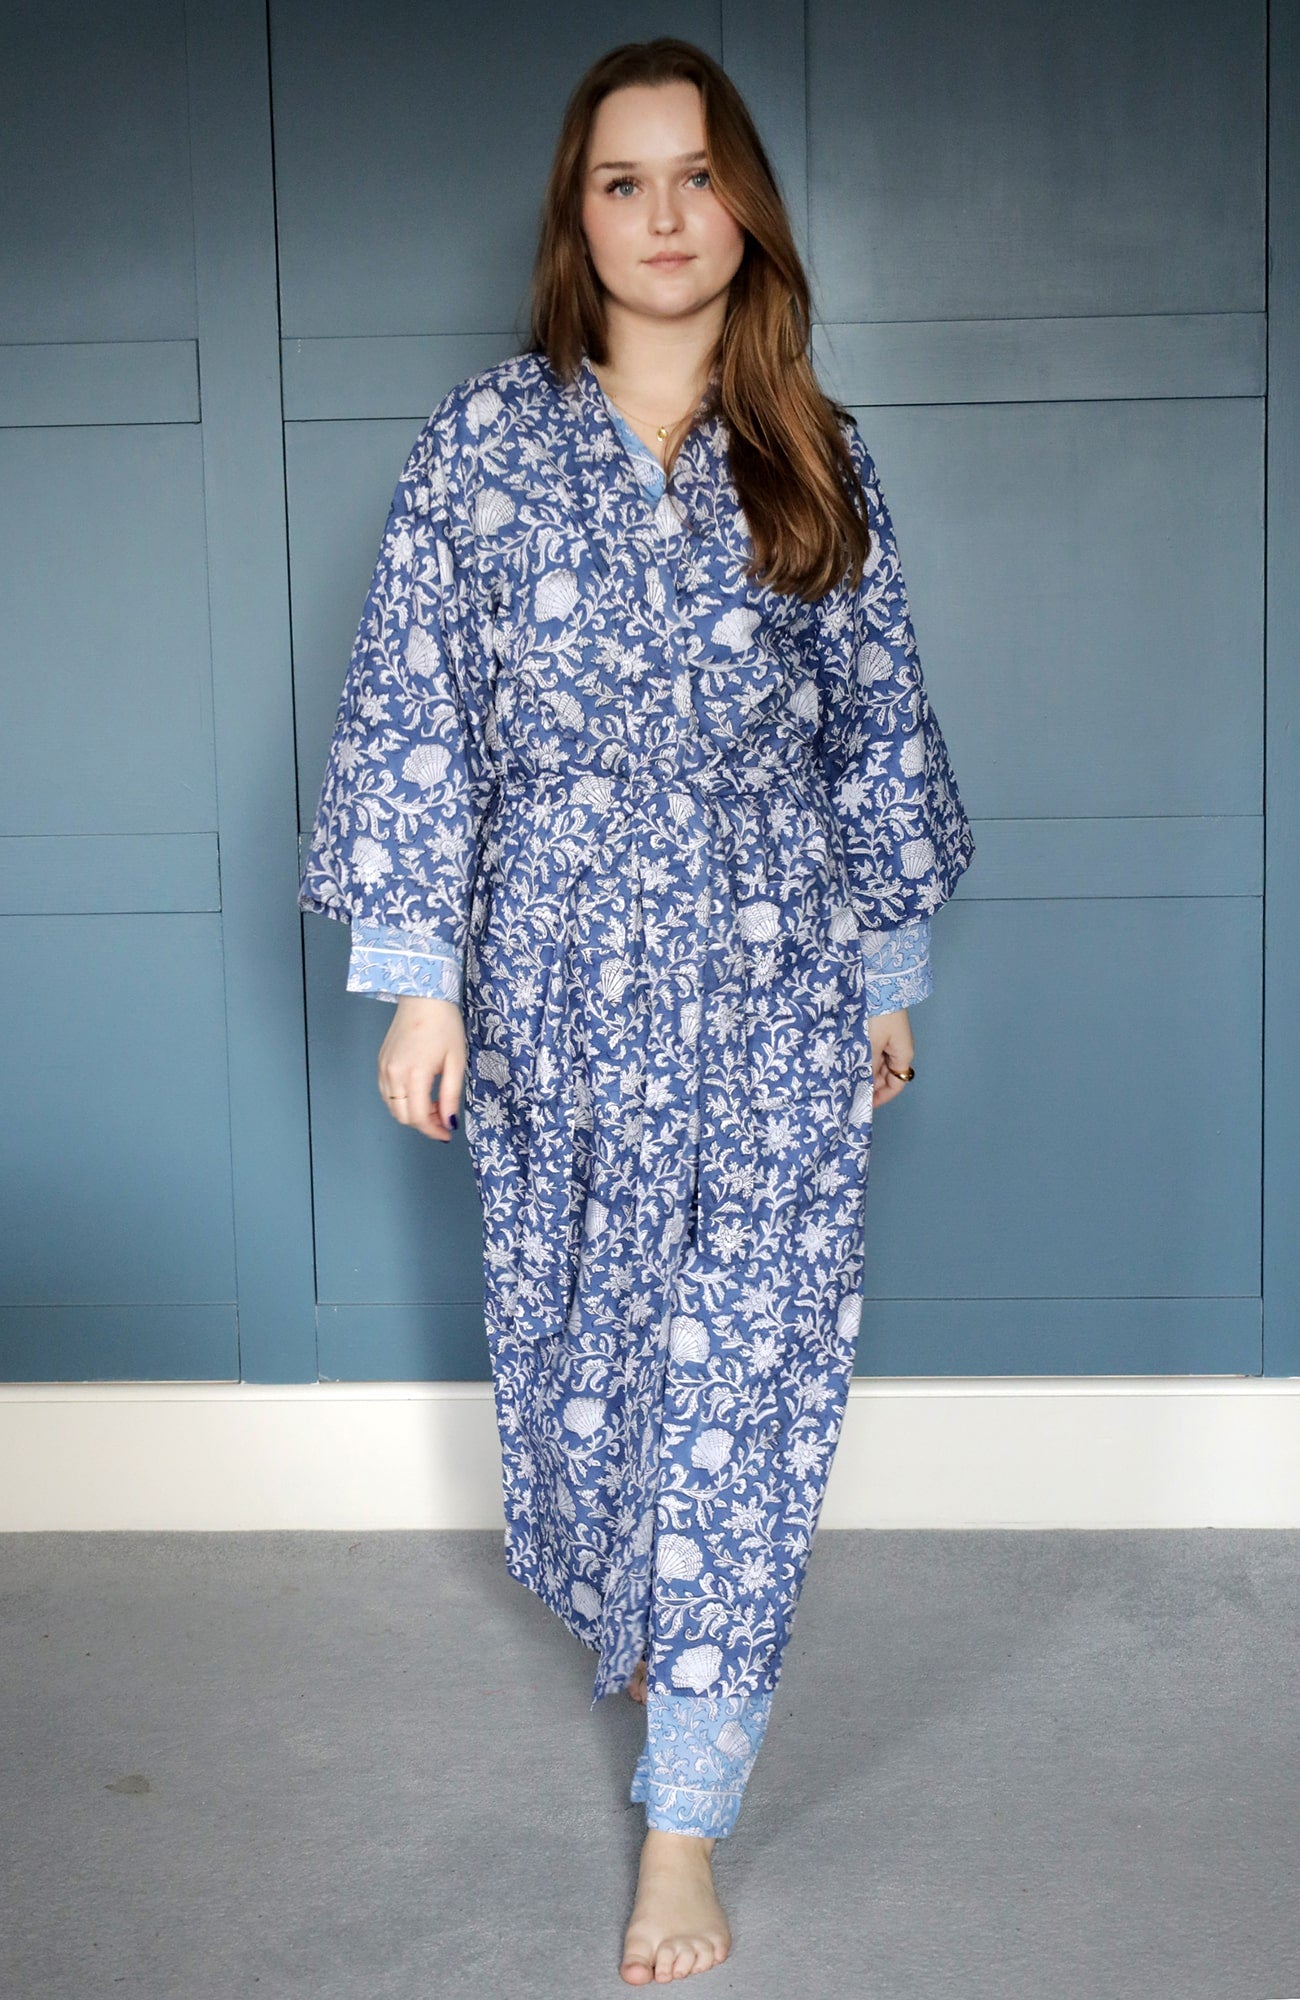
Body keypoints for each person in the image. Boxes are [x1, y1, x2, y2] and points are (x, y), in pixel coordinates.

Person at [297, 36, 975, 1986]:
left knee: (752, 1388)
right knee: (590, 1376)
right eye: (624, 181)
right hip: (554, 989)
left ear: (743, 203)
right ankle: (637, 1609)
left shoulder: (815, 450)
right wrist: (417, 983)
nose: (665, 216)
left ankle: (684, 1823)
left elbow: (872, 730)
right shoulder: (480, 446)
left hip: (776, 980)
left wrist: (885, 976)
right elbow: (415, 711)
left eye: (696, 176)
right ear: (575, 216)